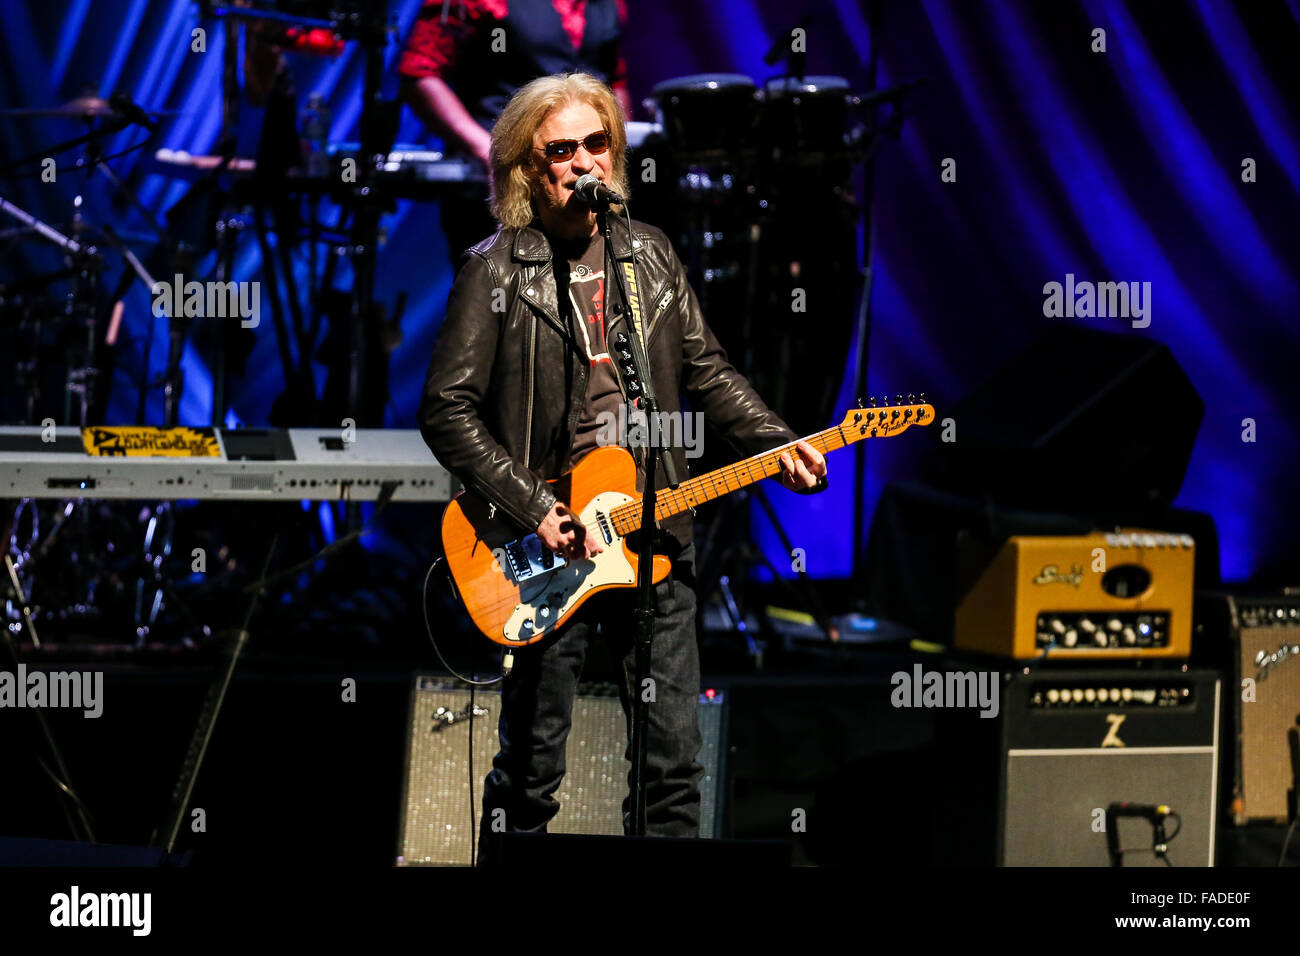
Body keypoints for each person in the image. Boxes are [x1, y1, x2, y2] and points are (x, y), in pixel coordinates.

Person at [418, 72, 826, 864]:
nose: (582, 164)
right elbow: (446, 411)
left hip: (654, 533)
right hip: (546, 546)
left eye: (595, 144)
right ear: (527, 171)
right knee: (532, 772)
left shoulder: (649, 256)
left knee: (674, 771)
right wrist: (533, 506)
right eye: (560, 151)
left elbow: (707, 373)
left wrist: (776, 443)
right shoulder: (497, 271)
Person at [397, 0, 633, 262]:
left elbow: (612, 80)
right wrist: (485, 149)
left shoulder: (610, 4)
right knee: (499, 291)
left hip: (583, 186)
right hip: (501, 178)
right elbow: (420, 72)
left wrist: (616, 144)